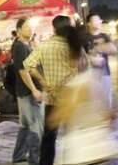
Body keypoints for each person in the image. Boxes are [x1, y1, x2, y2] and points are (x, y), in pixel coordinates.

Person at [22, 15, 81, 165]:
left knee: (49, 138)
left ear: (54, 28)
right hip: (70, 99)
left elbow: (28, 65)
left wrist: (42, 81)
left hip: (52, 99)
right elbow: (83, 69)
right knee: (72, 136)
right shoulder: (73, 46)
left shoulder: (44, 46)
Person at [12, 18, 44, 165]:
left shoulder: (26, 45)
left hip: (25, 93)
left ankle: (18, 156)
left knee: (25, 126)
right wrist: (34, 90)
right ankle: (35, 160)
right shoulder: (19, 47)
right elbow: (23, 71)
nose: (30, 29)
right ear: (18, 31)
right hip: (28, 93)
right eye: (27, 27)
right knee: (35, 128)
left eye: (31, 27)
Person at [84, 13, 116, 110]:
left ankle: (106, 121)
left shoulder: (105, 36)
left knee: (106, 100)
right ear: (89, 23)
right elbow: (80, 56)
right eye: (95, 20)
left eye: (99, 20)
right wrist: (90, 57)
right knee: (92, 101)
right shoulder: (84, 38)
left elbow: (114, 50)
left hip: (105, 72)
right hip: (90, 74)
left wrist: (97, 49)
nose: (98, 22)